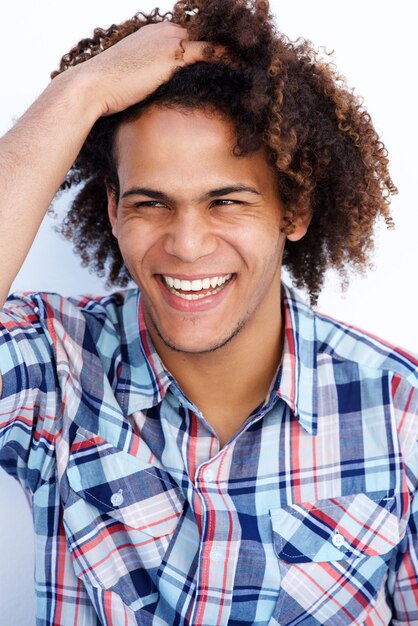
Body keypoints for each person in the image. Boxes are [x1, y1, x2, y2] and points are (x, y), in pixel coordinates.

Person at [0, 1, 417, 624]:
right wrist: (83, 92)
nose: (188, 245)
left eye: (226, 201)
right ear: (113, 209)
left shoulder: (399, 409)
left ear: (293, 211)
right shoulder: (54, 370)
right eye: (151, 203)